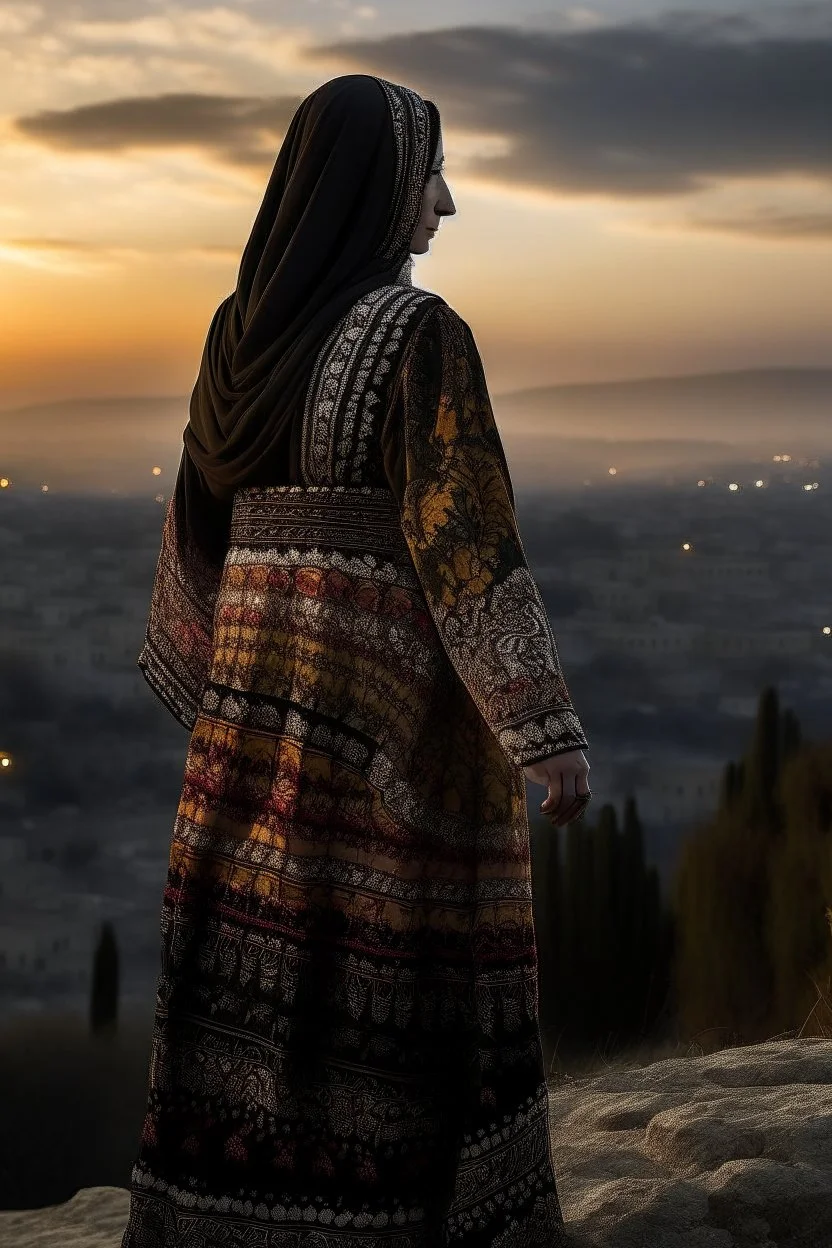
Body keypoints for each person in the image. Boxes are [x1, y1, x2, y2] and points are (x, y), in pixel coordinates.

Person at [121, 73, 590, 1248]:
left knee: (259, 982)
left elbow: (194, 524)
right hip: (385, 741)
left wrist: (220, 684)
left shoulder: (239, 338)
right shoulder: (418, 337)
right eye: (429, 173)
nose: (445, 203)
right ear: (373, 187)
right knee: (384, 981)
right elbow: (467, 544)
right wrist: (543, 731)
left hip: (248, 735)